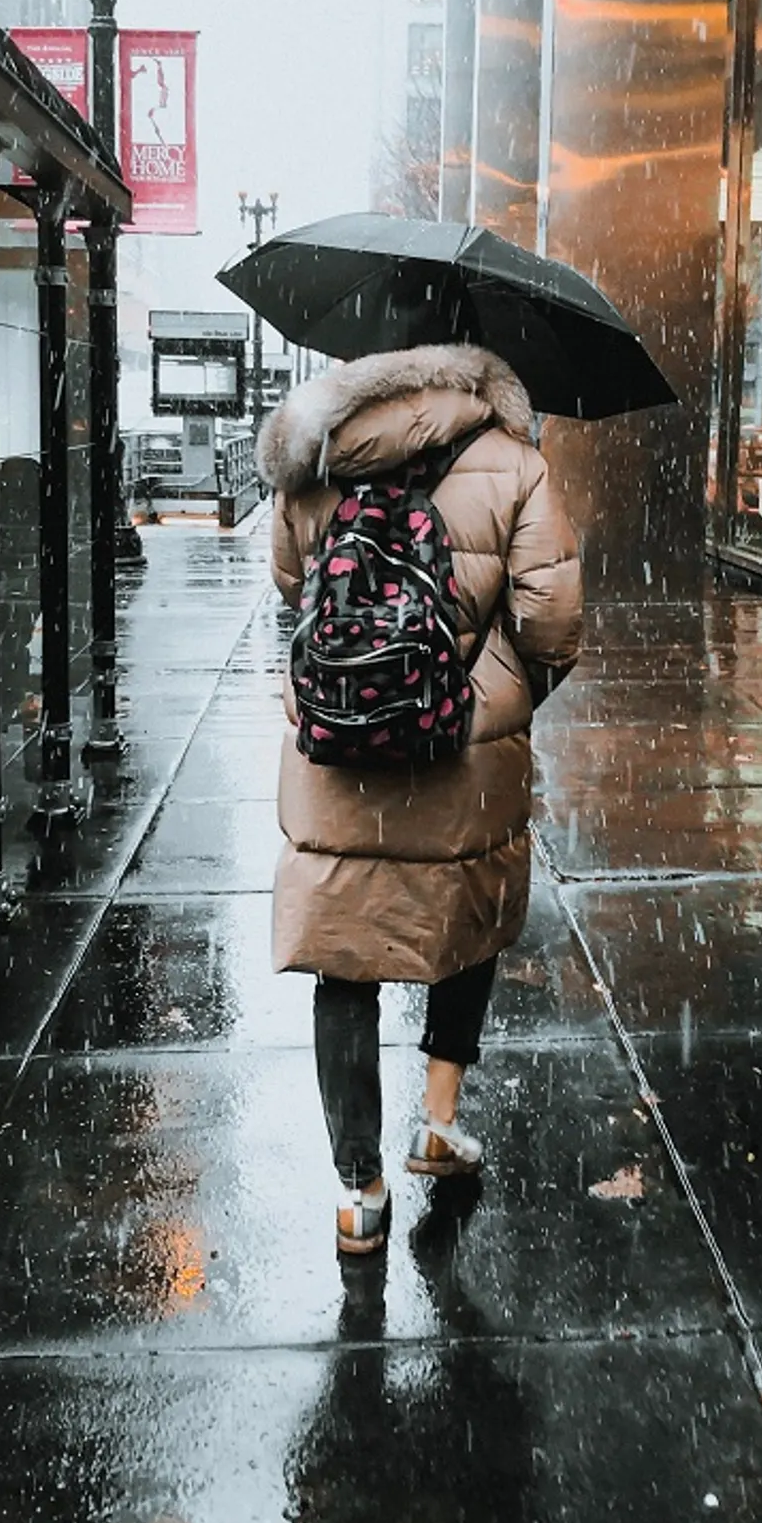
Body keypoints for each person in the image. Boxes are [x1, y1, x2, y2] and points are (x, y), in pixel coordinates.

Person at [258, 335, 583, 1254]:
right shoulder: (516, 464)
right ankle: (437, 1124)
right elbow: (552, 626)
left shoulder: (313, 453)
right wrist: (487, 698)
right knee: (463, 923)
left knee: (343, 956)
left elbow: (292, 588)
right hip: (462, 754)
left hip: (336, 753)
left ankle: (358, 1188)